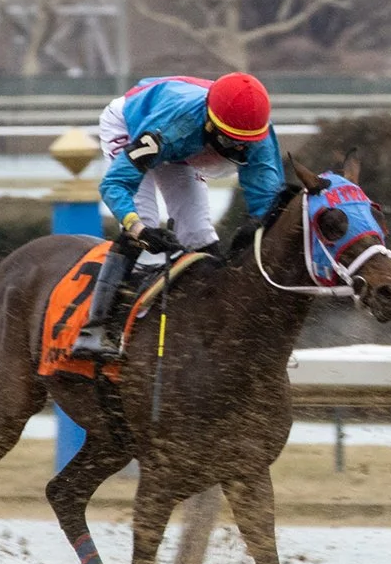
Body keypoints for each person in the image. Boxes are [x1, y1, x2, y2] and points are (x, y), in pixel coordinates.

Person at [75, 72, 284, 363]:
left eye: (244, 144)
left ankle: (213, 326)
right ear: (210, 124)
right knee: (145, 220)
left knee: (199, 234)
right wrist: (137, 229)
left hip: (184, 146)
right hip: (134, 124)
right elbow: (115, 185)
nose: (239, 150)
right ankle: (96, 328)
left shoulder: (256, 134)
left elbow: (267, 202)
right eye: (231, 141)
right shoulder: (173, 127)